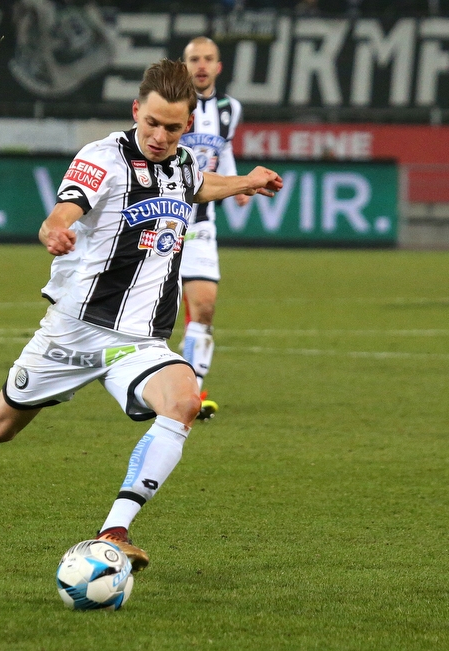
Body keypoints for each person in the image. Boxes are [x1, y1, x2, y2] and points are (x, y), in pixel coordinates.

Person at [0, 59, 282, 572]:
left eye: (172, 128)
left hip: (140, 342)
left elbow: (197, 186)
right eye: (151, 122)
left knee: (182, 401)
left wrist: (245, 182)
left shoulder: (181, 164)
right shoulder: (102, 157)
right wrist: (54, 231)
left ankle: (114, 530)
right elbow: (64, 209)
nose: (159, 135)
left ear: (188, 127)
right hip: (74, 331)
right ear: (137, 110)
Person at [178, 36, 249, 420]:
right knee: (151, 317)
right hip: (162, 223)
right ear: (183, 64)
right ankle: (147, 386)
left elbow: (226, 149)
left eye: (208, 59)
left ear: (219, 67)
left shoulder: (229, 109)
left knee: (203, 307)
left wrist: (236, 183)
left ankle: (192, 392)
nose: (201, 65)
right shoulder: (171, 104)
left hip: (202, 225)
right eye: (194, 59)